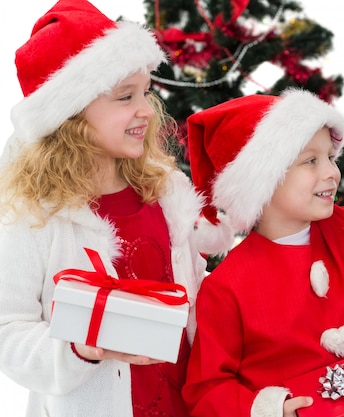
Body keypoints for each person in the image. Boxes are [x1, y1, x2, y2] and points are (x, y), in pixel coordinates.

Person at [0, 1, 230, 416]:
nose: (145, 109)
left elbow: (193, 294)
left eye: (145, 92)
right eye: (125, 96)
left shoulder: (167, 191)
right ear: (69, 116)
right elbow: (9, 332)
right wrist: (80, 348)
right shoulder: (32, 216)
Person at [181, 89, 344, 417]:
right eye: (310, 161)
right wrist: (272, 409)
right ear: (264, 181)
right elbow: (206, 390)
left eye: (331, 157)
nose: (332, 172)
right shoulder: (227, 287)